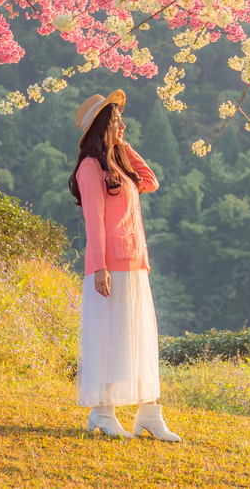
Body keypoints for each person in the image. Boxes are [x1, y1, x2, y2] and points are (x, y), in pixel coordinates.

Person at [68, 89, 181, 442]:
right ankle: (102, 413)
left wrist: (122, 147)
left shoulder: (117, 164)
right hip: (109, 267)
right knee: (111, 338)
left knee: (139, 336)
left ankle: (149, 413)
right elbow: (95, 222)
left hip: (134, 263)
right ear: (103, 126)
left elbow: (150, 180)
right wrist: (99, 266)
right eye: (117, 121)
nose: (124, 125)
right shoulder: (90, 168)